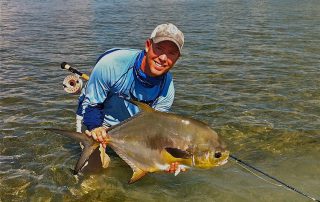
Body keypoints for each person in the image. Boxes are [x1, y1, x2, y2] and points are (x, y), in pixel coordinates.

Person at [77, 23, 184, 173]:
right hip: (95, 118)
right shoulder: (111, 64)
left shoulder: (167, 89)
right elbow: (91, 105)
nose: (163, 58)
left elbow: (154, 129)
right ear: (148, 45)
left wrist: (165, 160)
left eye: (172, 53)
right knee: (94, 173)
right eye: (159, 48)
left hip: (132, 131)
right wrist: (95, 128)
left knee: (148, 171)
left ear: (177, 58)